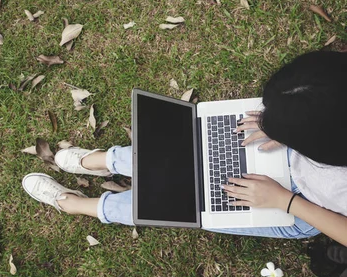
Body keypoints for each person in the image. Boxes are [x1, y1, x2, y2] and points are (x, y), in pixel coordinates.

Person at [22, 51, 347, 246]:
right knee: (188, 147)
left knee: (186, 203)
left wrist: (284, 201)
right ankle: (109, 160)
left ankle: (85, 205)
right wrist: (283, 123)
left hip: (306, 205)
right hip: (311, 138)